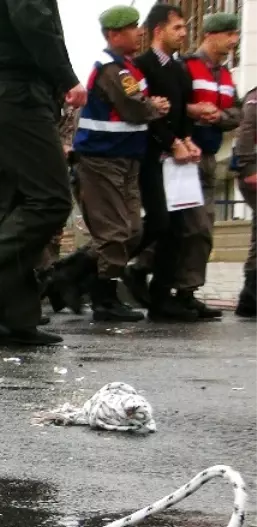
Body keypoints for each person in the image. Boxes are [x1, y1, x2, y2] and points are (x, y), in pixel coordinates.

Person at [67, 7, 168, 324]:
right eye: (132, 27)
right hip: (102, 160)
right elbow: (133, 109)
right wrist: (155, 107)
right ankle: (103, 297)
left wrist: (148, 107)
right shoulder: (113, 69)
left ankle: (70, 274)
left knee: (133, 230)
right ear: (113, 34)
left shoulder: (128, 68)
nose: (140, 32)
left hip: (126, 159)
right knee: (115, 232)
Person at [152, 12, 240, 320]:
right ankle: (160, 281)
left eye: (236, 34)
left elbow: (237, 114)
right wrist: (194, 111)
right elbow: (169, 105)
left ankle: (186, 291)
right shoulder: (185, 67)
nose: (234, 41)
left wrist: (220, 117)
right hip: (180, 157)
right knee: (182, 228)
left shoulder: (226, 76)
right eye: (229, 34)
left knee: (200, 228)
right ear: (211, 35)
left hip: (207, 159)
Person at [129, 4, 201, 322]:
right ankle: (102, 268)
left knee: (178, 228)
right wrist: (171, 142)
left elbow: (182, 111)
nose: (184, 33)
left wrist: (186, 140)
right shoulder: (142, 66)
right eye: (178, 28)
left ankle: (162, 297)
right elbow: (146, 113)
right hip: (150, 156)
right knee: (158, 221)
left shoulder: (179, 68)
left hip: (176, 161)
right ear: (159, 30)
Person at [231, 69, 257, 317]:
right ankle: (250, 295)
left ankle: (250, 297)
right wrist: (249, 167)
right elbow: (246, 131)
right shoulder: (254, 99)